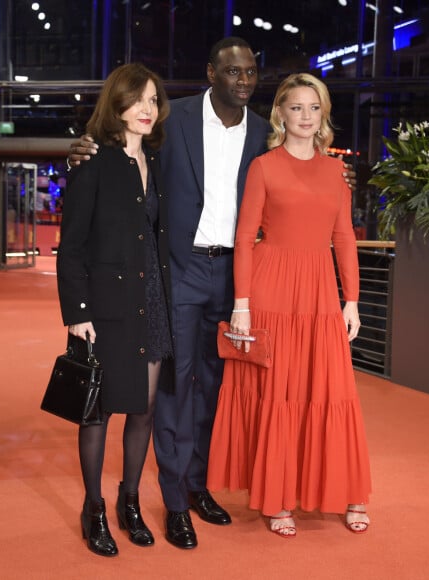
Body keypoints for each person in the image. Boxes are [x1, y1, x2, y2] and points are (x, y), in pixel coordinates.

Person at [68, 37, 356, 550]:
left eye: (250, 73)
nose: (242, 80)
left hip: (241, 279)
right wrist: (80, 148)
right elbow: (121, 150)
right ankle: (175, 499)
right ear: (211, 72)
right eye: (231, 72)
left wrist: (338, 174)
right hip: (179, 272)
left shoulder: (264, 136)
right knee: (175, 389)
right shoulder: (170, 118)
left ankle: (198, 484)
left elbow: (303, 174)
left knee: (218, 387)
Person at [206, 73, 372, 538]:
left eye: (313, 108)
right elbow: (244, 237)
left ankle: (347, 492)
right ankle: (278, 496)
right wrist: (242, 304)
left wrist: (352, 301)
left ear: (323, 116)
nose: (305, 116)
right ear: (280, 113)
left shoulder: (336, 171)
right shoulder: (264, 166)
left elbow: (344, 238)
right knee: (276, 394)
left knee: (330, 390)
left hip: (320, 292)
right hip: (271, 287)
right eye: (296, 107)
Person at [57, 63, 172, 556]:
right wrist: (78, 311)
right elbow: (71, 247)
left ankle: (130, 501)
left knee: (143, 409)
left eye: (153, 100)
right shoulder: (94, 162)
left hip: (152, 301)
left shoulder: (156, 163)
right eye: (137, 99)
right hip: (104, 306)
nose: (147, 109)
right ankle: (94, 507)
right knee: (98, 411)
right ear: (117, 104)